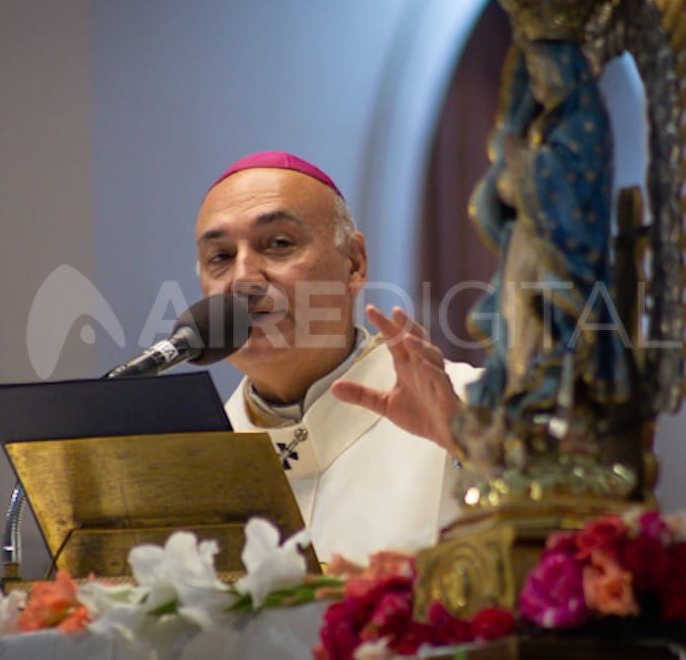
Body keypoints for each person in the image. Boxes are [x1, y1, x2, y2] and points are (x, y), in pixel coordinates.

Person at [195, 151, 480, 563]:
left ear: (354, 264)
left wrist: (469, 449)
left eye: (278, 244)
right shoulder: (196, 463)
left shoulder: (476, 412)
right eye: (220, 257)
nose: (243, 278)